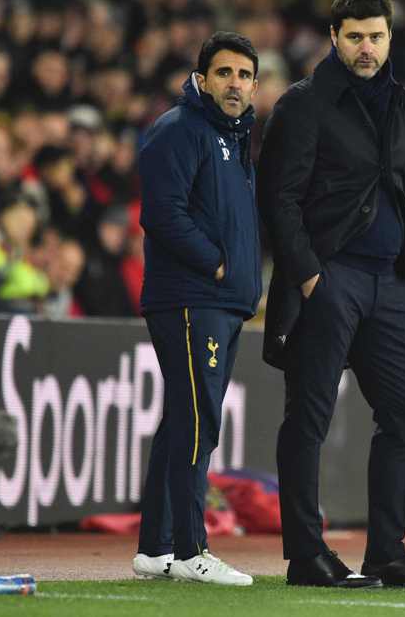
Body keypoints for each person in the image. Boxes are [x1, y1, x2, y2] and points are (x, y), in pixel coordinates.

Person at [258, 0, 405, 590]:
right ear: (334, 39)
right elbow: (278, 199)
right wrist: (312, 275)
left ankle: (387, 554)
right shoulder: (304, 103)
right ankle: (306, 556)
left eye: (375, 36)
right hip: (331, 277)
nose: (366, 47)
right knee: (310, 416)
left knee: (404, 412)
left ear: (390, 37)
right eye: (354, 37)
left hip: (389, 286)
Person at [132, 32, 261, 586]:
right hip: (191, 298)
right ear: (202, 78)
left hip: (220, 301)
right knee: (196, 420)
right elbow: (161, 213)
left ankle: (155, 548)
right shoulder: (181, 130)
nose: (236, 83)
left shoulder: (232, 136)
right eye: (225, 73)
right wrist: (215, 264)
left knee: (182, 420)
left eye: (245, 75)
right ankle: (191, 549)